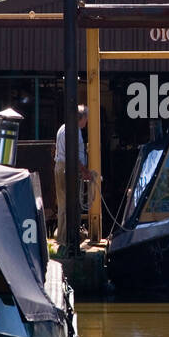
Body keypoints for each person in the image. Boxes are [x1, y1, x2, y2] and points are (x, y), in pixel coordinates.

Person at [53, 105, 95, 249]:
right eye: (86, 119)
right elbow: (73, 155)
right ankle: (67, 241)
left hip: (61, 166)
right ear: (81, 118)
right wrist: (85, 171)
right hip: (68, 168)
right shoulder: (73, 131)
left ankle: (63, 238)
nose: (87, 122)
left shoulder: (64, 128)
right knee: (70, 204)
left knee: (63, 204)